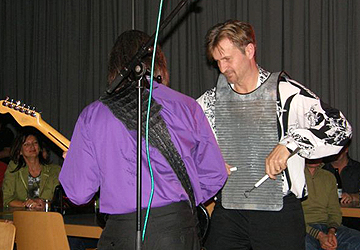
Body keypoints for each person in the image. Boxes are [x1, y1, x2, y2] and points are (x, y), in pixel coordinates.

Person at [59, 30, 227, 250]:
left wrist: (77, 162)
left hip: (122, 233)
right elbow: (215, 173)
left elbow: (78, 193)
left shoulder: (93, 115)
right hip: (177, 230)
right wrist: (178, 204)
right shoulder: (187, 106)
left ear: (115, 67)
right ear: (159, 63)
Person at [197, 20, 352, 250]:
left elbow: (340, 128)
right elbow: (186, 144)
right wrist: (210, 162)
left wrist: (290, 144)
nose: (222, 68)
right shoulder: (210, 101)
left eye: (227, 59)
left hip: (277, 212)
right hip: (229, 212)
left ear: (249, 50)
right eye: (217, 61)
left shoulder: (286, 92)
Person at [303, 159, 360, 250]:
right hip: (304, 229)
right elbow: (291, 217)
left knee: (357, 241)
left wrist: (332, 231)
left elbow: (334, 211)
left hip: (327, 226)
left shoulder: (328, 176)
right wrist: (318, 235)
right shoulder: (293, 177)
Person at [2, 128, 61, 209]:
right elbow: (7, 200)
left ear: (40, 148)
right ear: (20, 151)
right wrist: (26, 204)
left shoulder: (55, 170)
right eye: (26, 144)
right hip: (21, 217)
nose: (32, 146)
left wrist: (46, 204)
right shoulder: (13, 168)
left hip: (48, 217)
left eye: (35, 143)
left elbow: (60, 201)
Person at [323, 140, 360, 231]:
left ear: (346, 149)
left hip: (353, 221)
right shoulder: (322, 170)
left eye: (337, 148)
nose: (334, 152)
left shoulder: (357, 169)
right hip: (326, 220)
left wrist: (352, 197)